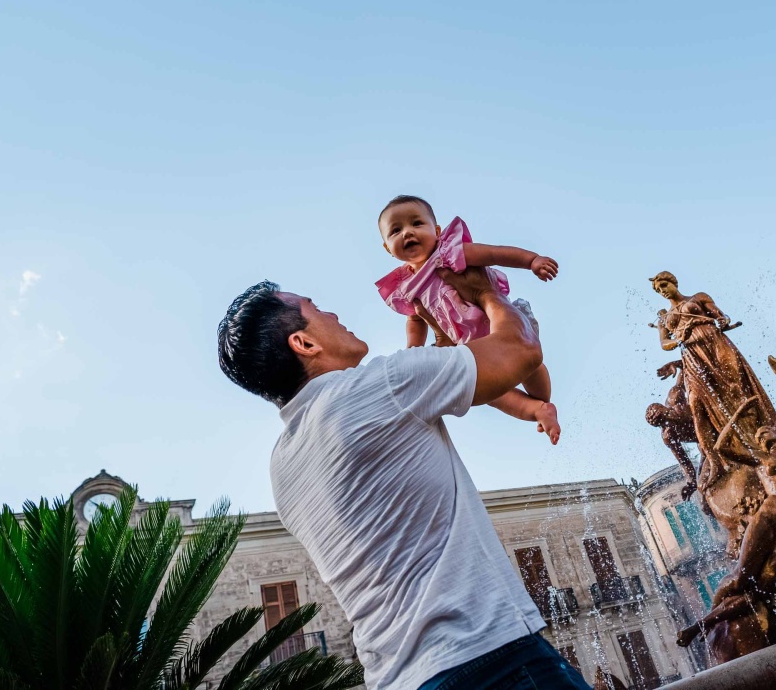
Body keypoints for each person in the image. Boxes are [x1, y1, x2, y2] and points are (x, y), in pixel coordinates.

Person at [217, 268, 589, 690]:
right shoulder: (379, 385)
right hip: (488, 660)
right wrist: (483, 289)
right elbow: (520, 348)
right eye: (316, 309)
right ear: (304, 344)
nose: (333, 313)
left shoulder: (282, 465)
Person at [376, 195, 560, 444]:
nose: (407, 232)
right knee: (486, 392)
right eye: (396, 230)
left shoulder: (449, 254)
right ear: (388, 247)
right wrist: (413, 350)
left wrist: (532, 261)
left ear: (437, 231)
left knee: (528, 363)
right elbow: (416, 320)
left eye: (417, 224)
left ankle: (542, 397)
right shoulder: (406, 287)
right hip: (470, 346)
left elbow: (494, 254)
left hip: (499, 326)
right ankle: (537, 411)